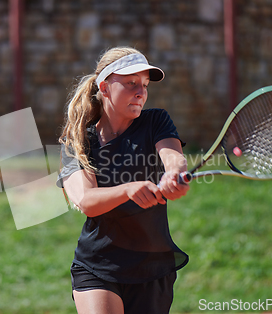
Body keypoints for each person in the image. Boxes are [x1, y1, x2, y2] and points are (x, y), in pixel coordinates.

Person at [57, 47, 190, 314]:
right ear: (105, 87)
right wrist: (128, 190)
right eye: (131, 84)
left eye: (144, 85)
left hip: (153, 269)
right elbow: (86, 201)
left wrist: (173, 175)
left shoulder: (156, 121)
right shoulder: (77, 141)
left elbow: (173, 159)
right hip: (97, 266)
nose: (141, 92)